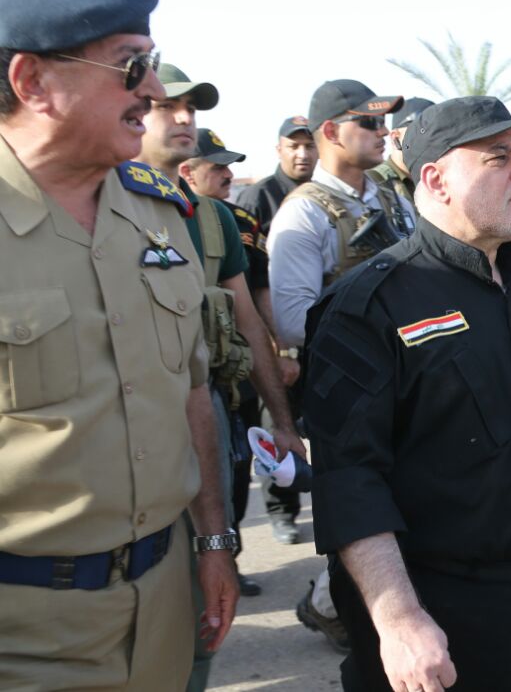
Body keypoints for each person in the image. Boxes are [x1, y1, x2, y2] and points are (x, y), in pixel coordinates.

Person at [0, 0, 237, 689]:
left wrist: (214, 540)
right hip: (22, 631)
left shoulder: (158, 211)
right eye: (131, 66)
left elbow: (189, 389)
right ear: (33, 81)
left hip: (163, 606)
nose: (155, 92)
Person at [307, 96, 511, 692]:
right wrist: (399, 619)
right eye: (497, 157)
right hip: (442, 615)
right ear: (435, 180)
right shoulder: (370, 307)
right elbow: (348, 478)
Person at [139, 69, 306, 690]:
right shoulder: (87, 206)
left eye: (191, 108)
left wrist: (282, 422)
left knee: (205, 580)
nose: (183, 118)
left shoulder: (211, 220)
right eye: (167, 106)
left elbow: (248, 324)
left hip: (206, 409)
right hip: (122, 423)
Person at [268, 78, 410, 653]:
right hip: (349, 391)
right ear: (330, 131)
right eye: (369, 122)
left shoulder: (390, 198)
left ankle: (348, 605)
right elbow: (292, 321)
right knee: (361, 508)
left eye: (384, 123)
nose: (382, 133)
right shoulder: (304, 215)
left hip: (405, 380)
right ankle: (334, 608)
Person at [178, 126, 297, 595]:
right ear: (188, 172)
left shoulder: (231, 221)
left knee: (230, 476)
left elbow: (252, 300)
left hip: (226, 379)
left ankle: (226, 559)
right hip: (159, 394)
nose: (228, 175)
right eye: (217, 167)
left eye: (230, 168)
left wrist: (281, 351)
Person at [235, 113, 316, 545]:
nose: (303, 154)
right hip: (273, 339)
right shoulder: (258, 196)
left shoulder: (320, 195)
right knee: (275, 426)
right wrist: (276, 348)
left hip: (312, 336)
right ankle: (281, 510)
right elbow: (249, 282)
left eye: (309, 145)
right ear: (279, 150)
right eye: (294, 146)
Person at [368, 96, 433, 203]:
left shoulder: (436, 178)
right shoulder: (375, 181)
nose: (429, 138)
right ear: (395, 137)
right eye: (420, 130)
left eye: (434, 131)